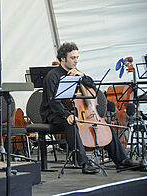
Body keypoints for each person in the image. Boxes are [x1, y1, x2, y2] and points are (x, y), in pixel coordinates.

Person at [40, 42, 137, 174]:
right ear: (63, 59)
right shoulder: (53, 76)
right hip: (53, 113)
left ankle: (122, 160)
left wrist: (82, 76)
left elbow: (92, 85)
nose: (76, 61)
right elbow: (53, 101)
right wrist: (66, 114)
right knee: (71, 123)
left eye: (77, 58)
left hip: (76, 111)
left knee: (104, 125)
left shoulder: (75, 73)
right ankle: (83, 162)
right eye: (73, 58)